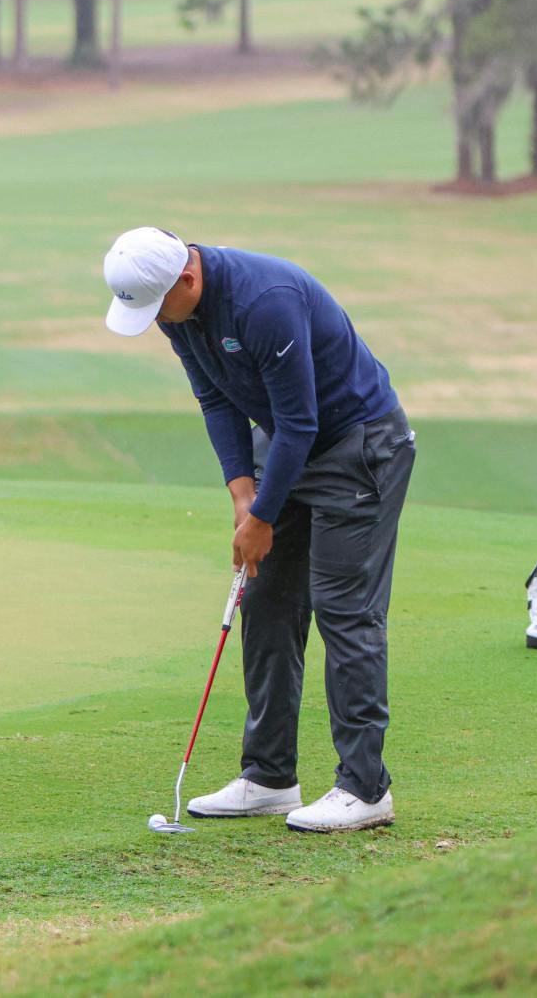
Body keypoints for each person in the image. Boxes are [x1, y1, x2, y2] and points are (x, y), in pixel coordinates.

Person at [101, 227, 415, 833]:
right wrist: (243, 495)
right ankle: (270, 776)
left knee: (344, 609)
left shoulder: (262, 300)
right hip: (292, 444)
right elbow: (216, 401)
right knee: (266, 599)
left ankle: (366, 788)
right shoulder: (175, 310)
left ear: (187, 280)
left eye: (157, 306)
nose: (154, 320)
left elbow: (300, 422)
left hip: (360, 444)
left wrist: (264, 516)